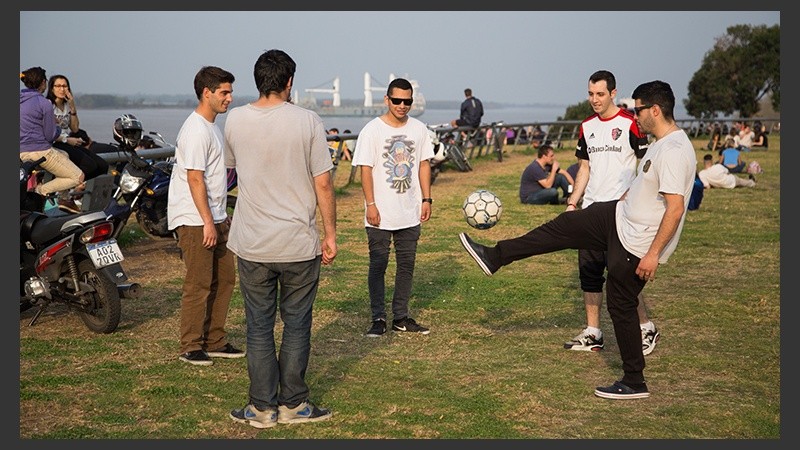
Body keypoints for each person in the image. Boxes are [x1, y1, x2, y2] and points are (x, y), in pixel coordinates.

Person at [459, 80, 696, 399]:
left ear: (655, 110)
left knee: (620, 302)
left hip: (636, 241)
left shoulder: (676, 150)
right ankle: (496, 256)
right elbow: (648, 184)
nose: (634, 115)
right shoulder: (661, 142)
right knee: (565, 224)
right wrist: (628, 194)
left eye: (637, 109)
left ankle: (634, 381)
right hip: (616, 216)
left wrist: (653, 254)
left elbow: (676, 208)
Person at [225, 49, 337, 428]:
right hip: (297, 242)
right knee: (296, 324)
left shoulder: (235, 120)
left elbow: (230, 171)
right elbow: (323, 182)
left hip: (252, 241)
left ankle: (261, 408)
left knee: (258, 325)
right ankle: (294, 405)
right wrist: (331, 234)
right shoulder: (308, 121)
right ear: (289, 82)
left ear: (258, 80)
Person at [563, 70, 659, 356]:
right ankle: (593, 333)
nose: (595, 99)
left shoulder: (631, 124)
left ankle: (646, 328)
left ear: (613, 93)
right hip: (591, 212)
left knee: (621, 276)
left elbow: (647, 165)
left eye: (600, 94)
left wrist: (632, 197)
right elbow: (584, 168)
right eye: (591, 94)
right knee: (590, 274)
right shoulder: (586, 126)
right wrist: (572, 203)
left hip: (621, 213)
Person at [167, 66, 243, 366]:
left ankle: (214, 340)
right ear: (206, 93)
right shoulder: (196, 129)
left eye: (230, 92)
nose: (230, 98)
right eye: (224, 92)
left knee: (225, 279)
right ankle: (190, 345)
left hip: (213, 217)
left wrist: (221, 215)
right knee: (198, 283)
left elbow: (214, 179)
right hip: (194, 219)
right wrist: (209, 222)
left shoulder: (212, 127)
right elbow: (195, 179)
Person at [353, 77, 435, 338]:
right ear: (387, 100)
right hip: (380, 210)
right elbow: (365, 169)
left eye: (407, 101)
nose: (402, 105)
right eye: (397, 100)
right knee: (378, 264)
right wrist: (371, 204)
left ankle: (401, 316)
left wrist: (426, 198)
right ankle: (378, 317)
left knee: (406, 264)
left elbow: (423, 164)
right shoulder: (371, 130)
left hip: (409, 210)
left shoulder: (419, 129)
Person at [19, 66, 84, 198]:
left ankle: (64, 199)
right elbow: (50, 135)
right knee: (78, 177)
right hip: (40, 151)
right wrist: (57, 126)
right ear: (43, 83)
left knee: (64, 154)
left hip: (22, 151)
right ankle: (39, 191)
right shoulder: (44, 103)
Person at [45, 74, 111, 183]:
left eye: (65, 86)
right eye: (58, 86)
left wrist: (72, 105)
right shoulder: (47, 105)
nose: (62, 89)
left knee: (102, 166)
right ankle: (62, 187)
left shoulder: (67, 105)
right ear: (52, 88)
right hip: (55, 143)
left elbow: (75, 129)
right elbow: (47, 133)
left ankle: (75, 185)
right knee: (89, 165)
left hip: (68, 142)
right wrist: (67, 140)